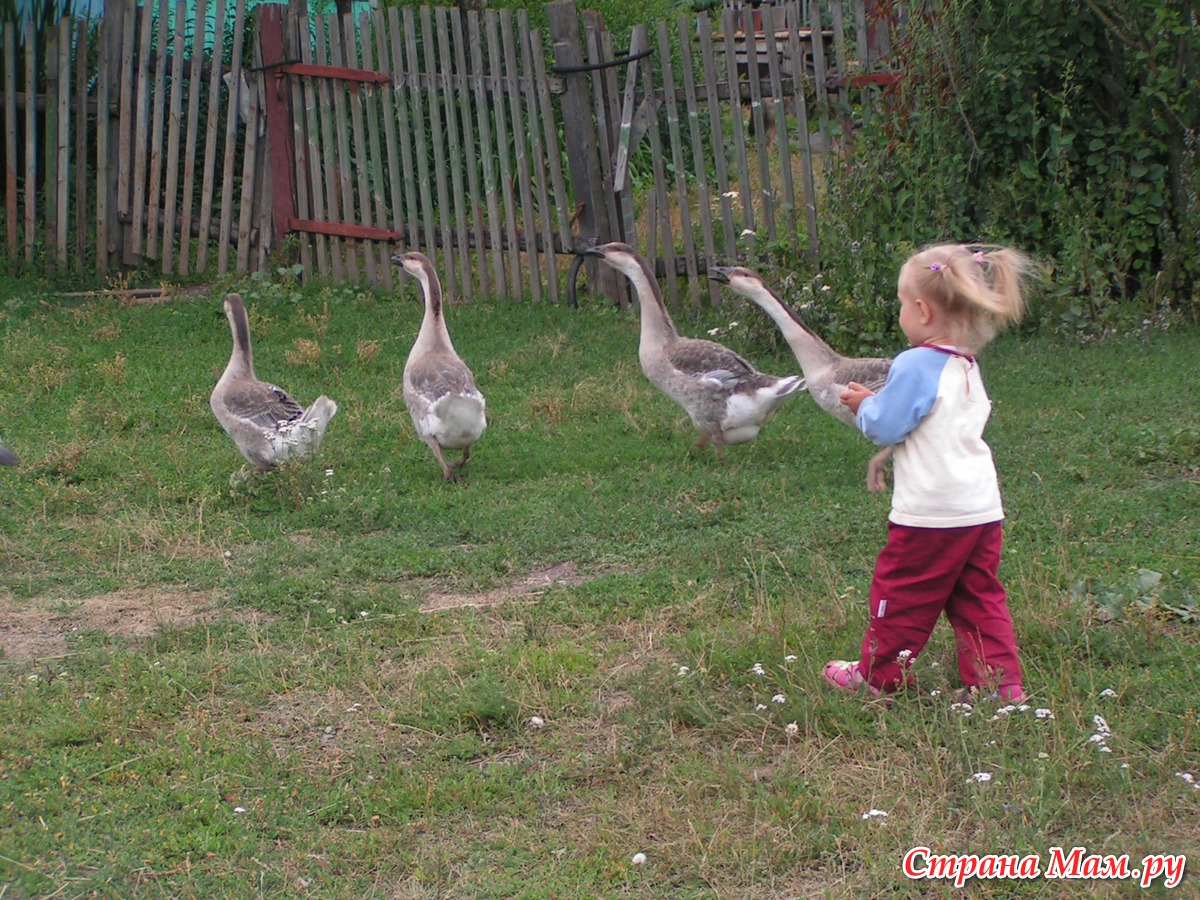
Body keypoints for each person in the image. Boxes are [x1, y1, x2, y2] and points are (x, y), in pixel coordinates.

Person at [825, 243, 1037, 701]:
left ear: (921, 310)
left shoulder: (915, 363)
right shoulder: (965, 364)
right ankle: (999, 686)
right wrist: (879, 401)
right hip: (980, 509)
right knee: (978, 596)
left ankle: (878, 677)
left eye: (902, 304)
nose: (901, 313)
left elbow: (887, 425)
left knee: (900, 594)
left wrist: (865, 405)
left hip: (931, 515)